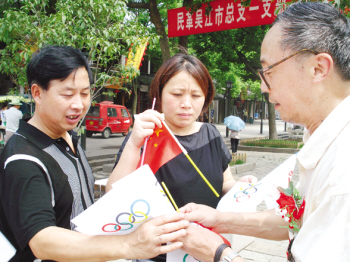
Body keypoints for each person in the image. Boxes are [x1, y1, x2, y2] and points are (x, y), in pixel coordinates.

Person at [177, 2, 350, 262]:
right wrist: (219, 220)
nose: (262, 86)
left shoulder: (342, 175)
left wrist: (219, 254)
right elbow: (295, 220)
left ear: (318, 68)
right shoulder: (322, 138)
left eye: (268, 70)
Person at [0, 45, 189, 262]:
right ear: (37, 93)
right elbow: (41, 239)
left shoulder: (68, 136)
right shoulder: (23, 159)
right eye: (67, 94)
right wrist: (128, 245)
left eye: (85, 93)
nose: (79, 104)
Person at [108, 51, 257, 262]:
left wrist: (241, 187)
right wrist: (134, 143)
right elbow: (113, 192)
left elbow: (225, 182)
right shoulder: (147, 135)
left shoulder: (210, 134)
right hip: (157, 254)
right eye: (177, 94)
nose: (187, 104)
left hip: (208, 248)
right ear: (159, 94)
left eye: (196, 96)